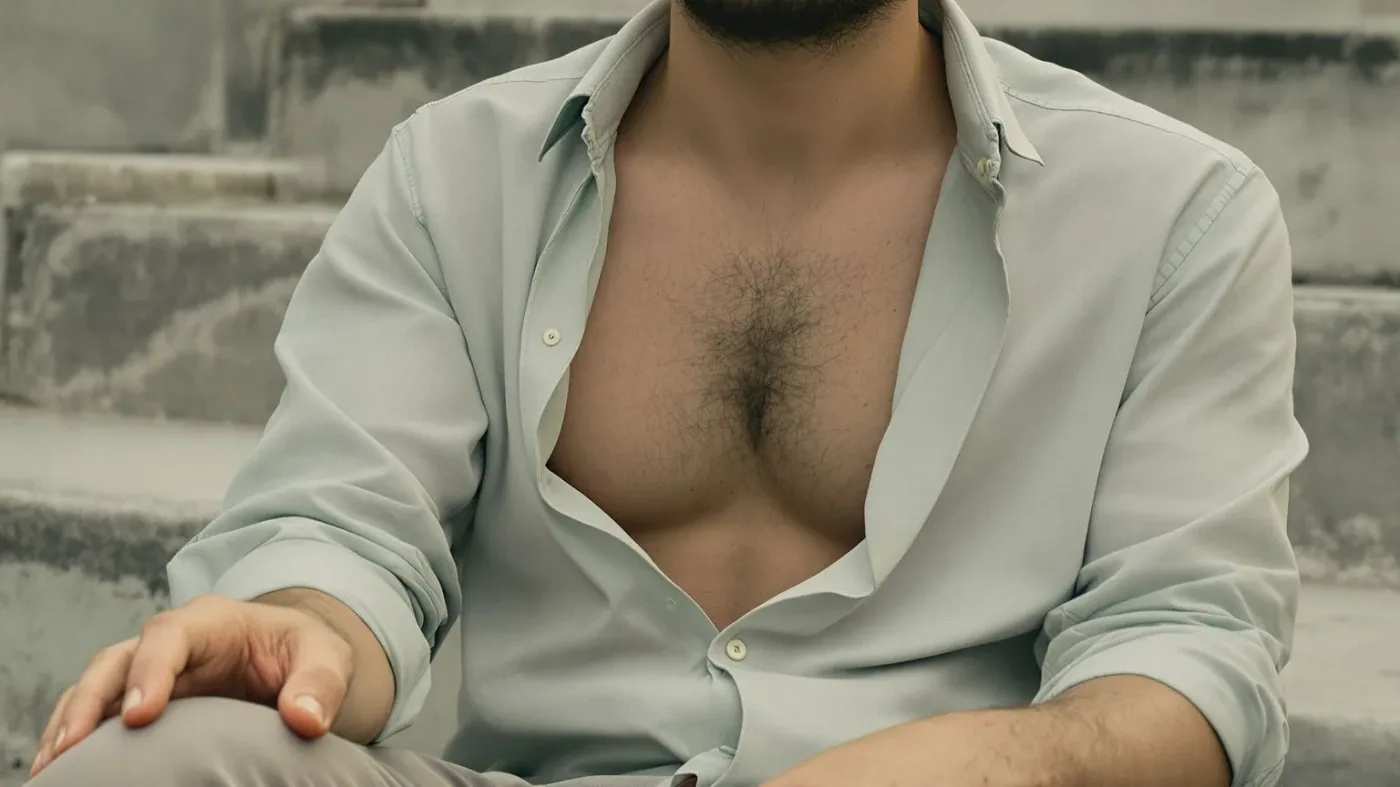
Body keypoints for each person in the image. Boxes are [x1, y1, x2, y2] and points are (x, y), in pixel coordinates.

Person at [27, 0, 1308, 785]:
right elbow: (346, 528)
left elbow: (1188, 650)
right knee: (153, 756)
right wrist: (304, 628)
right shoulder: (454, 174)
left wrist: (976, 769)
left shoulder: (1170, 214)